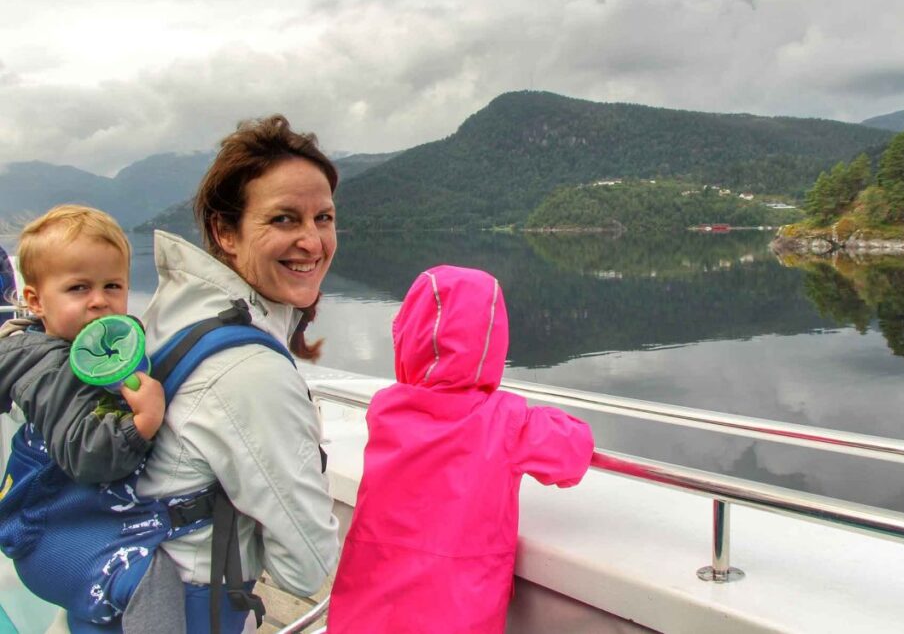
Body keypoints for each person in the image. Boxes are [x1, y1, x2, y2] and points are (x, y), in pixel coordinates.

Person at [132, 114, 341, 632]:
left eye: (324, 218)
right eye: (285, 220)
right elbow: (306, 568)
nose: (313, 243)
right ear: (225, 231)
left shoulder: (173, 314)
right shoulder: (250, 372)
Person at [326, 265, 595, 633]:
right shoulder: (508, 421)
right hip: (457, 617)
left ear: (406, 335)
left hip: (368, 612)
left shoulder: (386, 410)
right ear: (492, 340)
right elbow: (574, 450)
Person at [0, 205, 165, 482]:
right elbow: (87, 457)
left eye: (112, 286)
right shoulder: (49, 369)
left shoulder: (84, 346)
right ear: (36, 301)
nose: (100, 300)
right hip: (55, 517)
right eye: (79, 288)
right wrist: (144, 421)